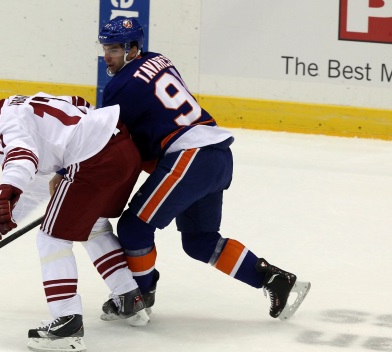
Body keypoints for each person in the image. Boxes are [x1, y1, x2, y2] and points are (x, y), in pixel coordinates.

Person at [96, 17, 311, 322]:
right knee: (200, 240)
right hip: (217, 154)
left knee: (134, 227)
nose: (108, 55)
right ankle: (273, 279)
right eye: (105, 47)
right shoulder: (160, 60)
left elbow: (118, 143)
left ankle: (138, 297)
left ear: (132, 49)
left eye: (115, 48)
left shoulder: (120, 86)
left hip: (191, 157)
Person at [0, 79, 148, 352]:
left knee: (51, 238)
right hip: (123, 147)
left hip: (94, 161)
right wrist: (64, 165)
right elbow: (79, 103)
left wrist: (4, 192)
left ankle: (67, 323)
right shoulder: (20, 102)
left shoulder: (3, 124)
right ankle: (129, 295)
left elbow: (22, 155)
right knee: (93, 226)